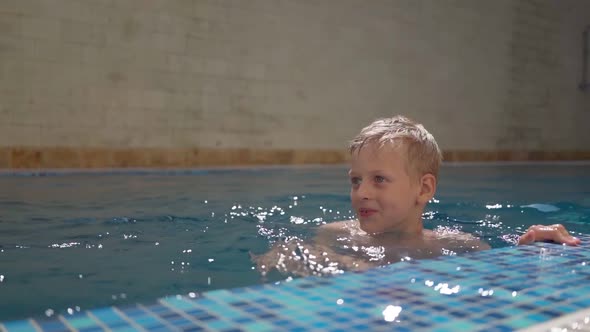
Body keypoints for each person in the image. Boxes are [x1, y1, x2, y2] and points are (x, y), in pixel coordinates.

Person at [252, 115, 580, 277]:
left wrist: (530, 249)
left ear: (423, 189)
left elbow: (501, 279)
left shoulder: (457, 246)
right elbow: (289, 266)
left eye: (379, 179)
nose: (361, 192)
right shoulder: (334, 234)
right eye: (355, 181)